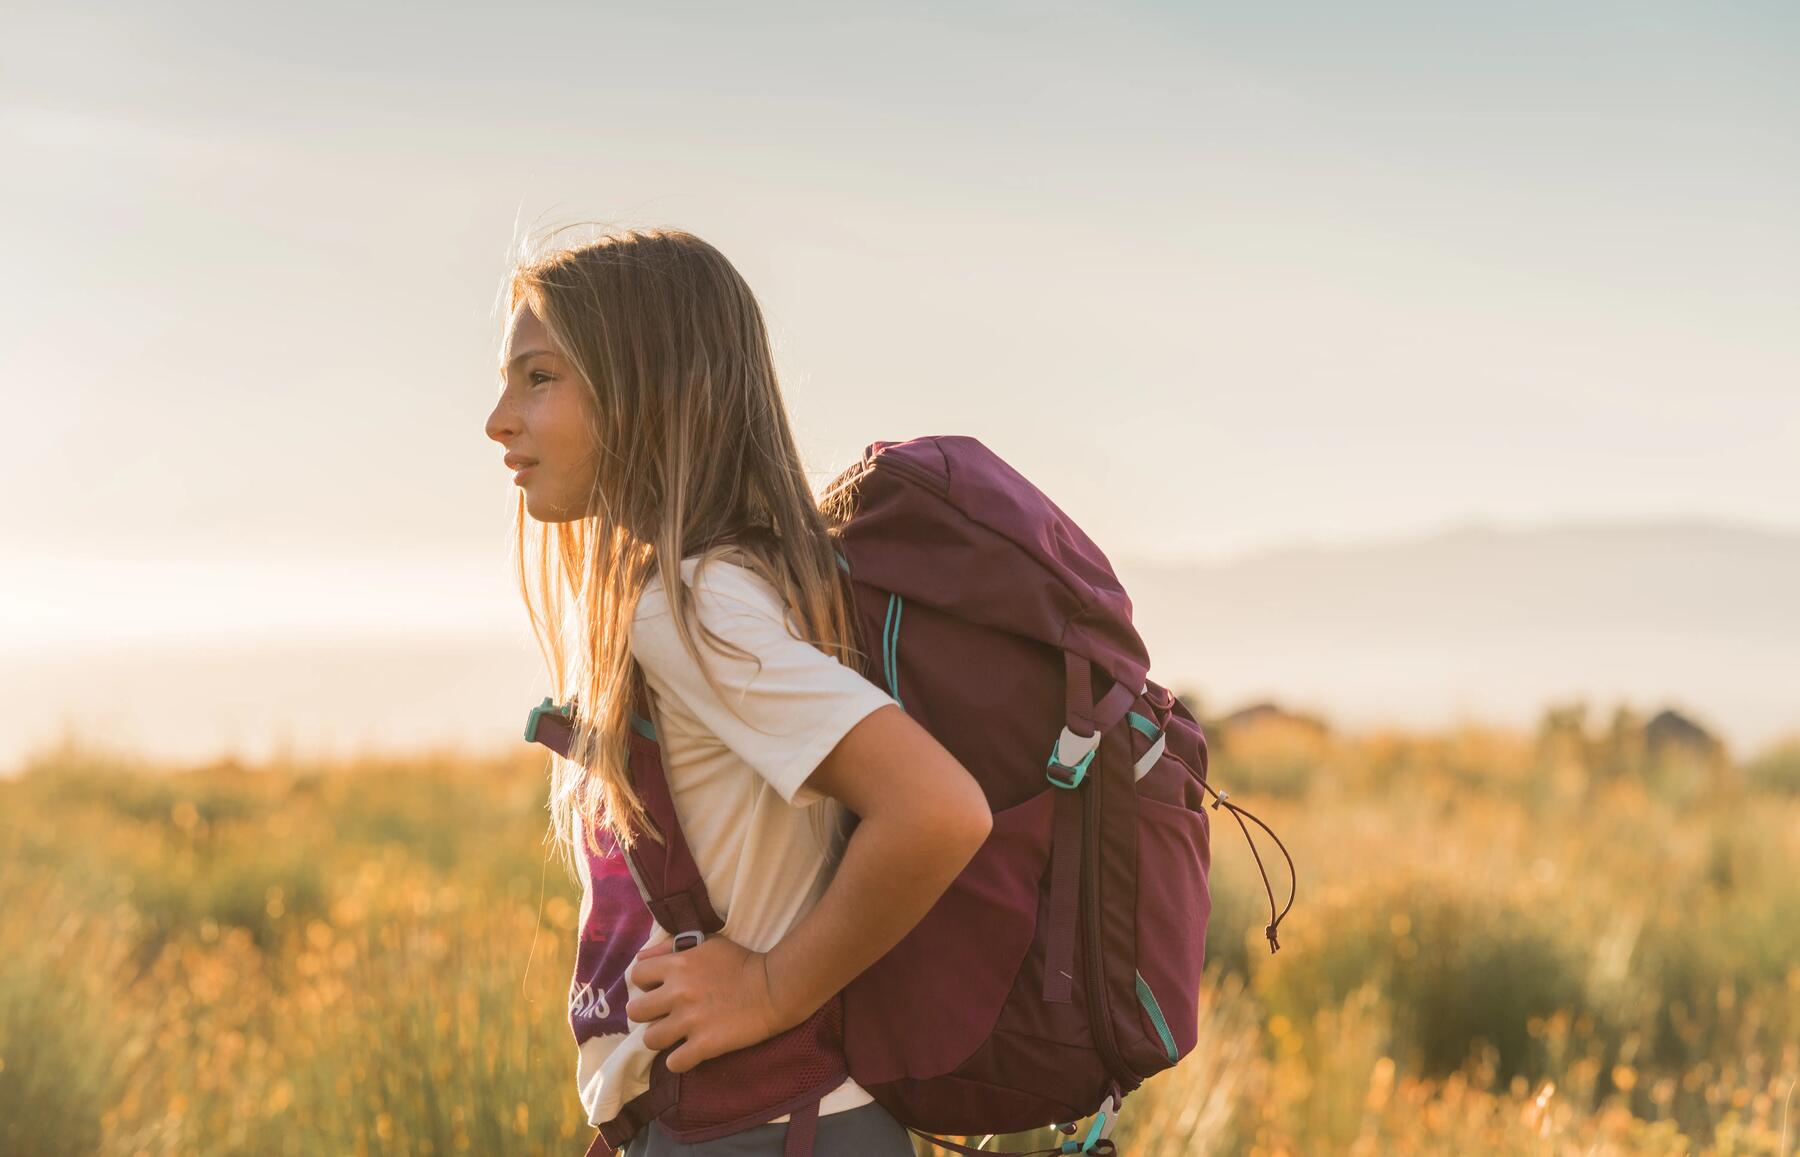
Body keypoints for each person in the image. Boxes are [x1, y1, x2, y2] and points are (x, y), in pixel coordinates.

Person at [483, 227, 994, 1156]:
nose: (499, 419)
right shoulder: (749, 584)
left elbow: (937, 809)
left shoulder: (693, 606)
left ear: (646, 390)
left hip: (766, 1129)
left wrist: (769, 989)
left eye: (539, 377)